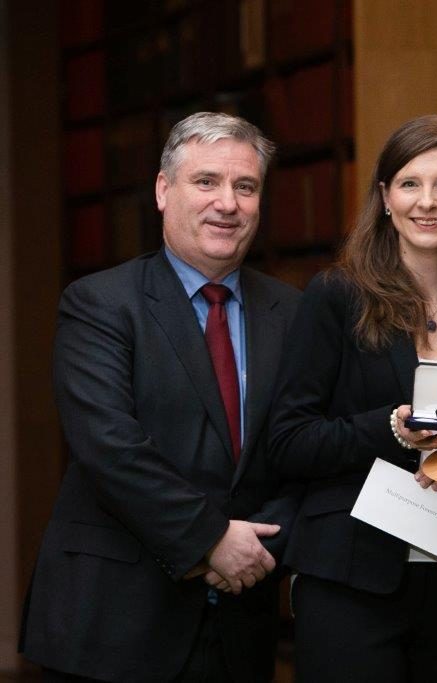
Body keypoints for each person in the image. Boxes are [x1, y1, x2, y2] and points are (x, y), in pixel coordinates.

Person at [19, 112, 302, 681]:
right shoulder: (99, 303)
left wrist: (259, 547)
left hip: (240, 626)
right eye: (206, 182)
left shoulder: (294, 314)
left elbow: (306, 446)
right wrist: (212, 539)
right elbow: (109, 446)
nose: (228, 203)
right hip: (114, 623)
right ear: (162, 190)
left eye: (245, 187)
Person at [268, 114, 437, 682]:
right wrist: (388, 429)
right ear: (385, 197)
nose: (427, 202)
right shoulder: (336, 297)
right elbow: (287, 440)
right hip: (350, 579)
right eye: (409, 183)